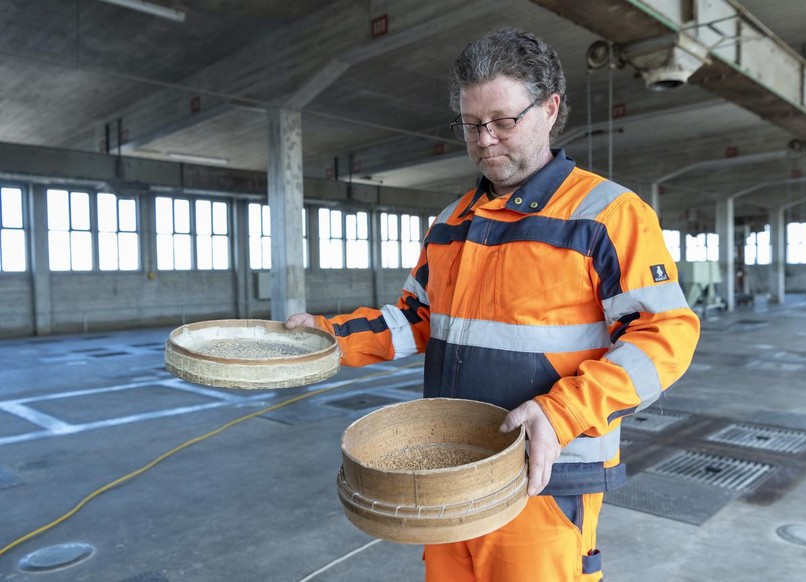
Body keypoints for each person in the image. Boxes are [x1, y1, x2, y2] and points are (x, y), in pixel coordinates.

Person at [286, 27, 700, 582]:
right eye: (470, 124)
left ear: (550, 109)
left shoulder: (606, 216)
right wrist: (321, 338)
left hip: (543, 482)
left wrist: (562, 413)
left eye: (502, 121)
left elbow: (665, 335)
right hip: (451, 475)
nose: (484, 140)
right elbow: (416, 320)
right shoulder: (452, 222)